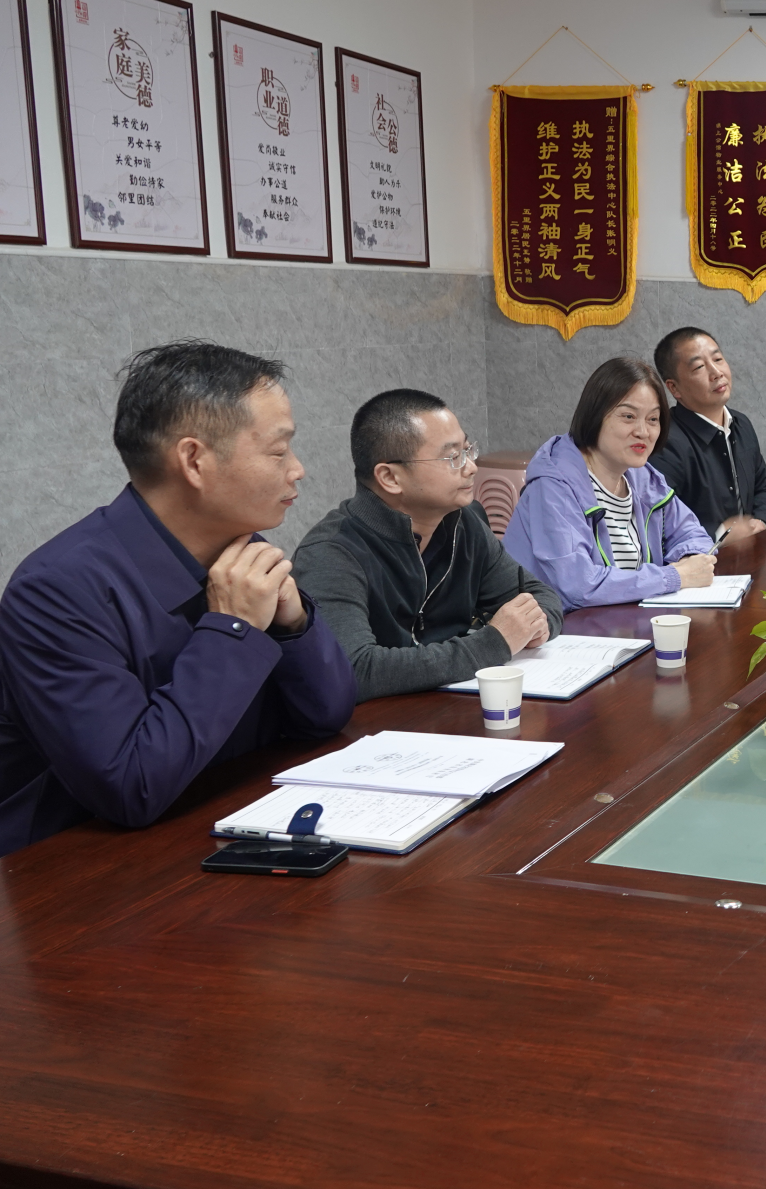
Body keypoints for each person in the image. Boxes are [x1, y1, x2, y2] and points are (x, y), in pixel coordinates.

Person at [0, 342, 354, 856]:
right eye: (279, 451)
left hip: (221, 820)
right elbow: (130, 786)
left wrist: (293, 624)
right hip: (81, 870)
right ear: (193, 460)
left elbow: (326, 716)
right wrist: (233, 629)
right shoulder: (57, 591)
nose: (297, 469)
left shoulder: (240, 548)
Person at [294, 389, 564, 702]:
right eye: (453, 457)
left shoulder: (464, 522)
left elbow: (539, 595)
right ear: (390, 477)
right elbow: (355, 670)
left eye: (468, 450)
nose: (471, 467)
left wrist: (537, 625)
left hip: (452, 709)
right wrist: (495, 641)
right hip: (380, 724)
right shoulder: (330, 553)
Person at [504, 358, 717, 610]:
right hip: (557, 627)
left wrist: (690, 561)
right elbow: (579, 586)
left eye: (653, 419)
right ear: (595, 415)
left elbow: (692, 533)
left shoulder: (642, 477)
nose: (643, 431)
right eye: (628, 416)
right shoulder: (554, 487)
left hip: (621, 621)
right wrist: (674, 576)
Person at [649, 327, 766, 540]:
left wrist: (761, 521)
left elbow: (763, 488)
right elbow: (662, 522)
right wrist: (721, 536)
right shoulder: (665, 441)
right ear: (674, 388)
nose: (717, 372)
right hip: (703, 556)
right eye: (699, 367)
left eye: (718, 359)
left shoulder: (741, 423)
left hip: (754, 547)